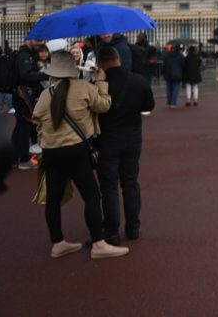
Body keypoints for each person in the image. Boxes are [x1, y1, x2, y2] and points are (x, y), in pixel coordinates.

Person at [30, 48, 128, 260]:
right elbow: (104, 106)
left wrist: (44, 139)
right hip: (75, 150)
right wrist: (101, 82)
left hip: (50, 152)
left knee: (53, 200)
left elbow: (37, 120)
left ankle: (58, 243)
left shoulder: (46, 94)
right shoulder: (83, 87)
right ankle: (99, 243)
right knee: (92, 196)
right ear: (73, 69)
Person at [94, 45, 155, 246]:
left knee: (109, 186)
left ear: (101, 63)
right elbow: (148, 106)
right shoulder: (138, 80)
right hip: (133, 137)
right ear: (118, 59)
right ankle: (133, 227)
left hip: (108, 138)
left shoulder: (100, 85)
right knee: (130, 183)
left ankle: (111, 231)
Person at [13, 39, 49, 170]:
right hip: (23, 94)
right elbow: (26, 74)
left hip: (23, 94)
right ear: (30, 40)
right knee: (24, 126)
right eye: (38, 41)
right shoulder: (24, 56)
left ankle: (14, 156)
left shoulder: (28, 55)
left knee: (20, 126)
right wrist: (45, 74)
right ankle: (23, 159)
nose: (40, 43)